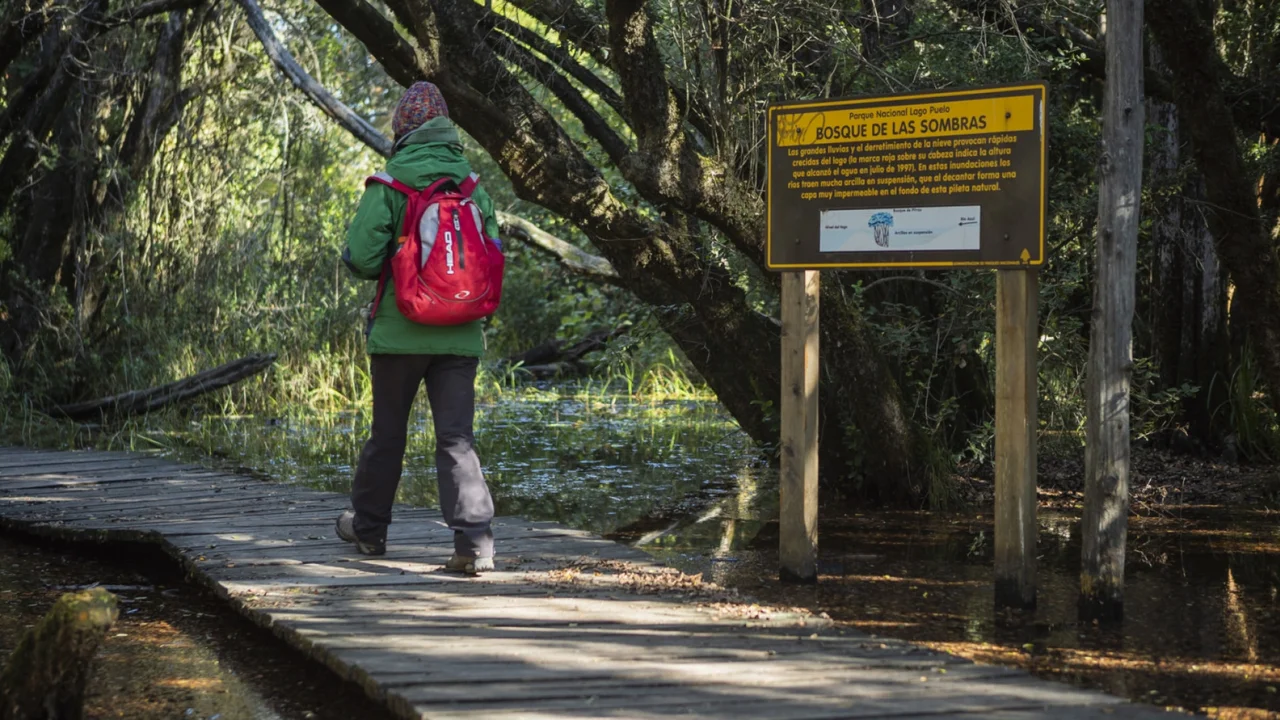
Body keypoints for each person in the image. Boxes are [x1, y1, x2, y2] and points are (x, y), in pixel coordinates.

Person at [334, 81, 497, 575]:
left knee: (387, 435)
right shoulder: (472, 186)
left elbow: (363, 259)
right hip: (461, 333)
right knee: (456, 439)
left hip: (399, 332)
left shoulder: (390, 184)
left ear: (403, 127)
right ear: (445, 126)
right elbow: (490, 255)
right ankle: (474, 544)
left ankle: (369, 532)